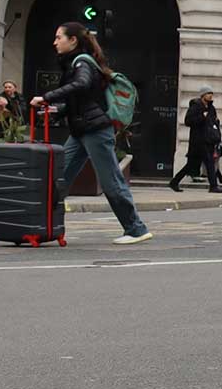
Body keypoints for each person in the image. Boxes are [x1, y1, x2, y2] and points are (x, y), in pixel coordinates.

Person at [28, 21, 151, 244]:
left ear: (72, 40)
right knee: (59, 177)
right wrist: (57, 110)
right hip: (81, 129)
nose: (55, 42)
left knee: (111, 180)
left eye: (59, 37)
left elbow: (83, 85)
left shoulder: (81, 63)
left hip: (95, 130)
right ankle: (38, 226)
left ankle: (136, 229)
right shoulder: (76, 63)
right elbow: (83, 100)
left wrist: (47, 97)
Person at [168, 89, 222, 194]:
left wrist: (216, 133)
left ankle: (174, 182)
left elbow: (214, 123)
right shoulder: (195, 106)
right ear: (203, 95)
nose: (211, 95)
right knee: (209, 163)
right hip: (198, 141)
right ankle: (213, 186)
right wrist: (202, 117)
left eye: (212, 93)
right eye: (208, 93)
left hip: (208, 140)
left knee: (192, 165)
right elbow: (188, 121)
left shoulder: (212, 108)